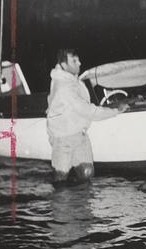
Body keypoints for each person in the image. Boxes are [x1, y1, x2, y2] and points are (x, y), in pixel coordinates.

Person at [46, 48, 128, 183]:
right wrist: (116, 111)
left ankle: (81, 203)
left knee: (87, 174)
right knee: (60, 179)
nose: (79, 63)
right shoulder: (64, 86)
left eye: (78, 60)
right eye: (74, 61)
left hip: (80, 135)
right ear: (64, 65)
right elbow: (87, 110)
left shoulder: (70, 80)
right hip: (63, 140)